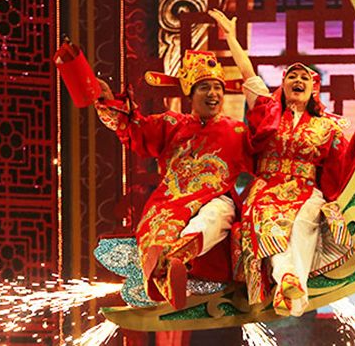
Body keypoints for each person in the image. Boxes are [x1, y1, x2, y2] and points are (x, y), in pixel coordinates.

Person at [209, 9, 355, 316]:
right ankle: (290, 285)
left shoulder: (329, 126)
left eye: (304, 77)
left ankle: (286, 284)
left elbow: (342, 165)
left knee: (303, 220)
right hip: (266, 189)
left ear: (313, 89)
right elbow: (248, 73)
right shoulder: (267, 110)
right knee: (269, 221)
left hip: (305, 189)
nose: (298, 80)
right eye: (292, 76)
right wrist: (232, 38)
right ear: (284, 84)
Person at [94, 49, 253, 310]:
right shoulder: (171, 125)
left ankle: (176, 258)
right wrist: (109, 100)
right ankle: (165, 275)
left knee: (215, 216)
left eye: (217, 88)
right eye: (204, 87)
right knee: (156, 228)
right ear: (190, 92)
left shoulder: (236, 131)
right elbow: (133, 129)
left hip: (215, 198)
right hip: (171, 201)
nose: (213, 94)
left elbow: (267, 158)